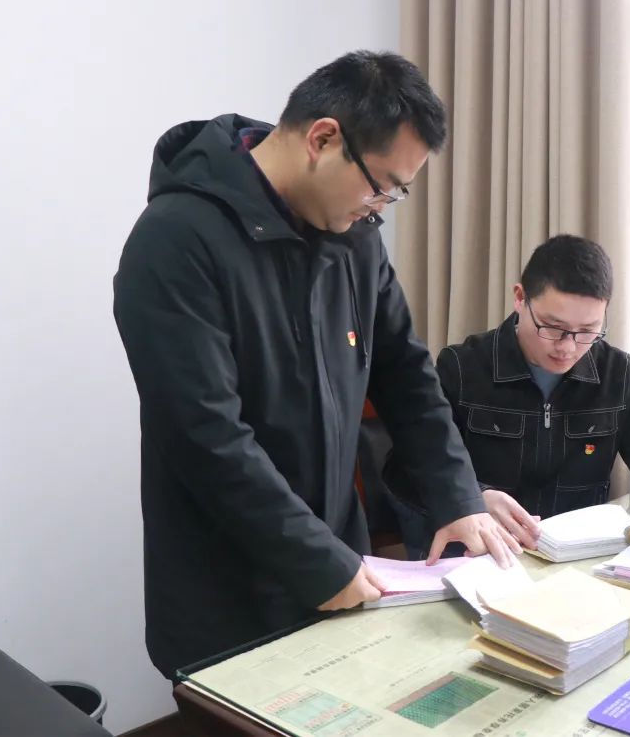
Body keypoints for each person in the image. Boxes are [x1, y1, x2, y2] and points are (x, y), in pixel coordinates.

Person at [113, 50, 519, 680]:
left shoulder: (354, 239)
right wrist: (319, 563)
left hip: (338, 565)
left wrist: (457, 496)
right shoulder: (175, 241)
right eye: (380, 185)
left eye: (396, 193)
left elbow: (407, 375)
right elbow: (206, 438)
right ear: (324, 138)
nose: (379, 207)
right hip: (227, 591)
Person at [385, 235, 630, 557]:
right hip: (482, 555)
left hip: (573, 558)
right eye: (553, 327)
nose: (567, 347)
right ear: (520, 298)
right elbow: (404, 470)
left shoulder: (615, 372)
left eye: (588, 331)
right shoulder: (462, 367)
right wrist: (473, 498)